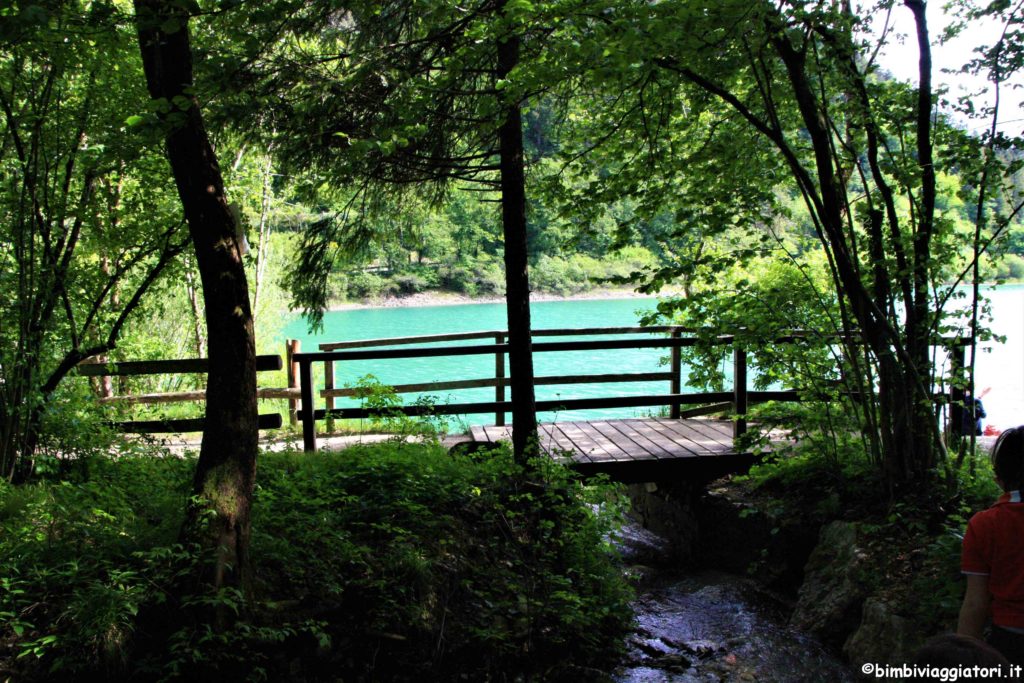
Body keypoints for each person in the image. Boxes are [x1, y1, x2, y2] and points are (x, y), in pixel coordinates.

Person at [958, 425, 1024, 667]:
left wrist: (962, 664)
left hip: (1009, 644)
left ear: (999, 479)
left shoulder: (984, 525)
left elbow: (976, 602)